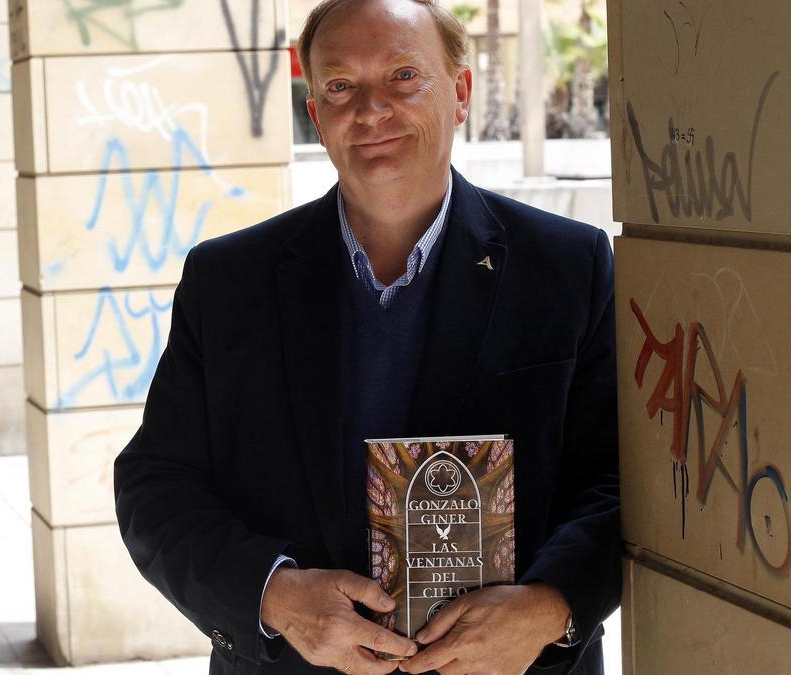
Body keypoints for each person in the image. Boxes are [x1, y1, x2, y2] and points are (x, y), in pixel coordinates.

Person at [114, 1, 620, 674]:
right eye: (340, 86)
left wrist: (553, 605)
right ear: (317, 114)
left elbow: (626, 482)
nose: (370, 108)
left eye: (404, 75)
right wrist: (275, 596)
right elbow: (155, 487)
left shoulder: (567, 267)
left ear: (461, 93)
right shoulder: (228, 282)